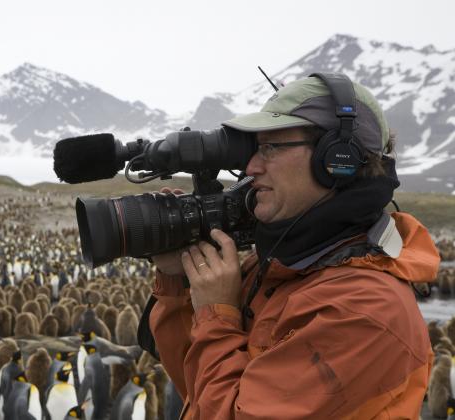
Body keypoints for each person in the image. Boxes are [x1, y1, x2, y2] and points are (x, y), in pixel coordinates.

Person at [147, 73, 440, 419]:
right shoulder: (282, 266)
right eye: (255, 149)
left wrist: (216, 314)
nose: (251, 168)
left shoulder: (364, 311)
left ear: (336, 161)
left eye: (270, 148)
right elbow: (200, 389)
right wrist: (179, 281)